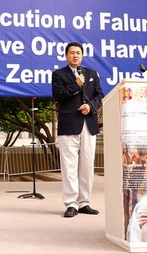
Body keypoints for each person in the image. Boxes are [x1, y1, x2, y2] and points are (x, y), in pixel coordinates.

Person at [52, 42, 104, 218]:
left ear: (82, 56)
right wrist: (75, 84)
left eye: (78, 53)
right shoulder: (59, 74)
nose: (75, 56)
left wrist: (90, 106)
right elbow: (58, 96)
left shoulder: (91, 74)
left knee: (87, 166)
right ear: (66, 55)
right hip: (69, 125)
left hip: (88, 124)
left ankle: (84, 202)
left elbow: (99, 95)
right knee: (69, 166)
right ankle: (71, 203)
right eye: (72, 53)